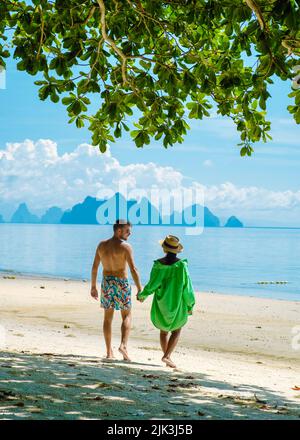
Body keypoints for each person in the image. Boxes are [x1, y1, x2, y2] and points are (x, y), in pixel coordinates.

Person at [137, 235, 195, 369]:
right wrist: (190, 304)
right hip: (177, 302)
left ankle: (167, 356)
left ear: (164, 249)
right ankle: (167, 356)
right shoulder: (181, 266)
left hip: (161, 301)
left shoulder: (158, 265)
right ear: (176, 250)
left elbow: (152, 284)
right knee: (176, 330)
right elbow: (187, 288)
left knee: (163, 331)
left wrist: (143, 295)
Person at [90, 219, 142, 361]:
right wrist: (139, 288)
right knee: (127, 316)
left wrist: (93, 287)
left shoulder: (102, 245)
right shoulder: (126, 247)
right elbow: (133, 269)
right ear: (118, 230)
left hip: (107, 283)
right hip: (122, 282)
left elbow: (94, 267)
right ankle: (123, 346)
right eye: (127, 231)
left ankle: (109, 352)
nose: (129, 234)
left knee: (108, 318)